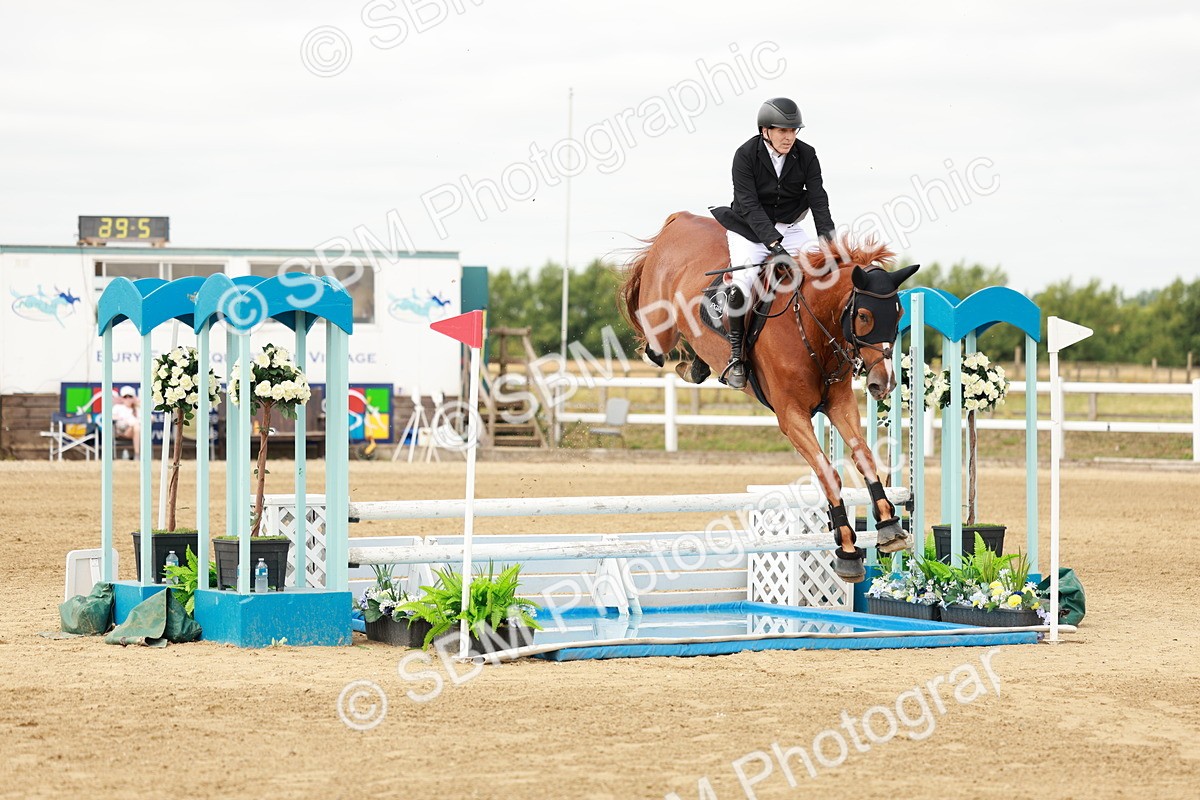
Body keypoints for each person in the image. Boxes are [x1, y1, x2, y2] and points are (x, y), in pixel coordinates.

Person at [710, 97, 836, 388]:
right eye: (782, 131)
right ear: (765, 130)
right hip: (749, 230)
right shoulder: (745, 155)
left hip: (790, 229)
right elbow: (749, 204)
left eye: (793, 131)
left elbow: (819, 200)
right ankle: (736, 356)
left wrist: (829, 245)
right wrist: (773, 244)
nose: (789, 137)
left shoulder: (807, 155)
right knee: (743, 282)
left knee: (823, 273)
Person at [112, 385, 141, 458]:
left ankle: (137, 454)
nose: (128, 399)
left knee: (137, 427)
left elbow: (151, 418)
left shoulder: (138, 409)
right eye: (125, 397)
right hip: (122, 432)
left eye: (130, 397)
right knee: (136, 426)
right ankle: (137, 455)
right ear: (122, 398)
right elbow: (112, 417)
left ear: (133, 398)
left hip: (137, 431)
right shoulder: (117, 407)